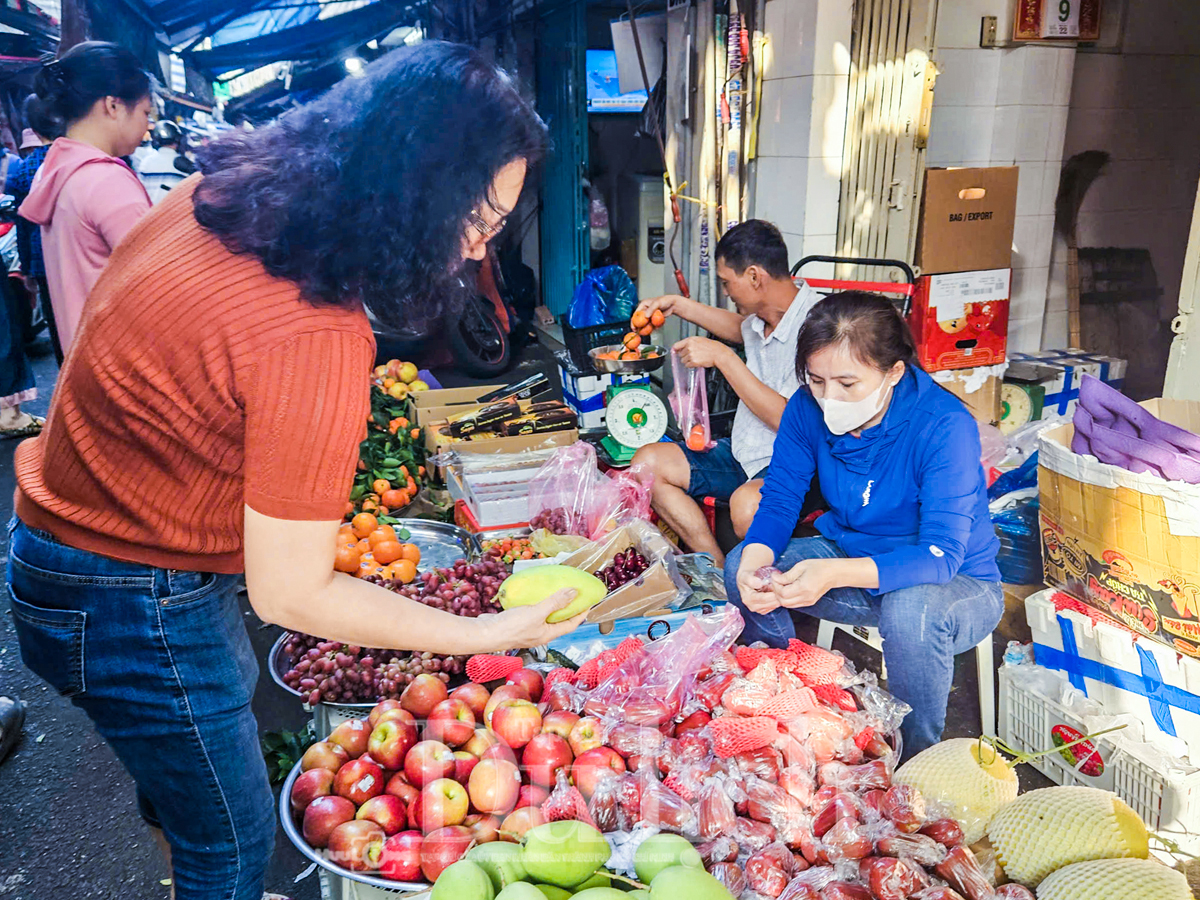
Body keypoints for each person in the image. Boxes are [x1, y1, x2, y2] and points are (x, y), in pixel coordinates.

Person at [7, 43, 580, 900]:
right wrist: (487, 636)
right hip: (129, 592)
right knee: (233, 845)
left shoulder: (221, 202)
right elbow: (291, 595)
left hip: (70, 551)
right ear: (410, 195)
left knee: (190, 780)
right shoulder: (313, 328)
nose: (475, 250)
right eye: (476, 220)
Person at [725, 291, 1003, 756]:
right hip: (853, 556)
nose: (828, 398)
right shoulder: (805, 408)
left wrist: (831, 574)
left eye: (847, 384)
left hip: (955, 585)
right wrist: (755, 560)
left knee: (912, 610)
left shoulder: (944, 426)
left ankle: (915, 760)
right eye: (816, 380)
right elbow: (779, 501)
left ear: (893, 372)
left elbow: (941, 556)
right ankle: (787, 708)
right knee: (742, 567)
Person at [631, 220, 821, 565]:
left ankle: (766, 589)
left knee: (747, 508)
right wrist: (677, 304)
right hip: (746, 452)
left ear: (753, 276)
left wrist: (722, 358)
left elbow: (789, 419)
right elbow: (740, 330)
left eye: (726, 282)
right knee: (647, 465)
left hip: (798, 465)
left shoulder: (820, 326)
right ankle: (716, 572)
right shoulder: (763, 318)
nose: (726, 292)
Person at [19, 42, 152, 352]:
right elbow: (157, 287)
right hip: (126, 367)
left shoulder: (54, 170)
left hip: (86, 364)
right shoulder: (106, 181)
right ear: (113, 106)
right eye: (145, 111)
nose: (147, 127)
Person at [9, 109, 61, 364]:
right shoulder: (74, 161)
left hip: (41, 257)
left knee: (56, 323)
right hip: (74, 251)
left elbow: (23, 223)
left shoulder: (24, 169)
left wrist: (27, 268)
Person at [138, 119, 195, 204]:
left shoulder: (145, 162)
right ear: (178, 140)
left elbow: (140, 192)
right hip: (172, 213)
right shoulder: (185, 165)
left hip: (147, 213)